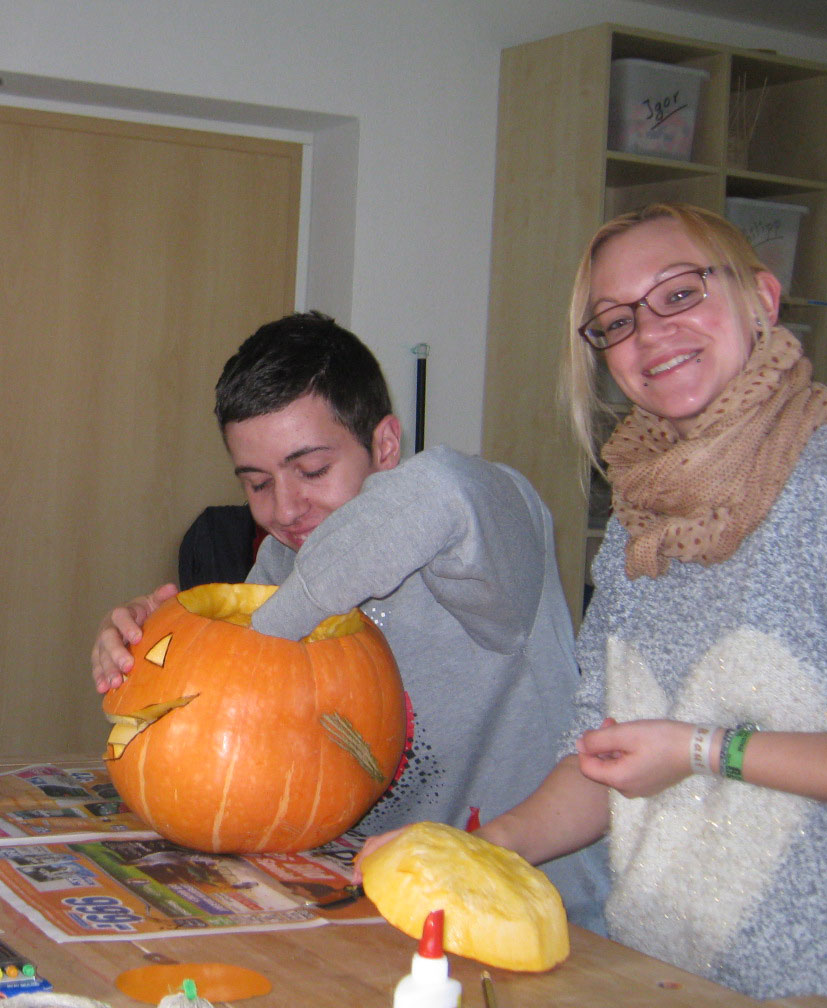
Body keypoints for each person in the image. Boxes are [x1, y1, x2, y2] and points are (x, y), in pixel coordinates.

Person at [464, 203, 827, 1006]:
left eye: (680, 293)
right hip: (655, 979)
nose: (651, 332)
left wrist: (706, 749)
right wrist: (492, 846)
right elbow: (599, 753)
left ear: (761, 299)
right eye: (616, 321)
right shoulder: (640, 527)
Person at [91, 312, 609, 924]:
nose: (286, 509)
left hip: (530, 910)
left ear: (385, 446)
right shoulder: (281, 563)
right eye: (257, 484)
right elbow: (233, 742)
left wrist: (269, 629)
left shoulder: (492, 542)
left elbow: (441, 491)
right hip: (369, 906)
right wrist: (160, 650)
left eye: (312, 471)